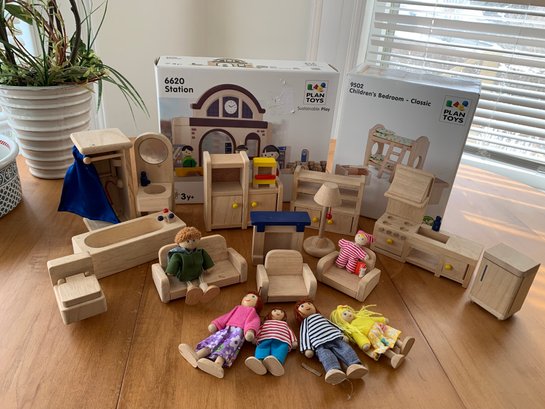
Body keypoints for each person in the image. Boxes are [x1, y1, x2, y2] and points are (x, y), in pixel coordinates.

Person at [178, 292, 263, 378]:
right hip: (225, 330)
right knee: (214, 341)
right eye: (246, 296)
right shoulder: (237, 308)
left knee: (227, 346)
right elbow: (226, 317)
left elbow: (253, 322)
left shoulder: (253, 312)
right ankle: (197, 355)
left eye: (253, 297)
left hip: (237, 334)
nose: (248, 298)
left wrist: (250, 331)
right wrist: (216, 324)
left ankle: (218, 364)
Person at [294, 299, 368, 385]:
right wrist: (307, 348)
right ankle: (333, 370)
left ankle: (355, 365)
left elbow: (333, 325)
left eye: (309, 304)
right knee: (325, 356)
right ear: (298, 313)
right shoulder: (305, 322)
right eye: (302, 306)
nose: (307, 306)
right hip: (319, 343)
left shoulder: (321, 317)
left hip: (334, 337)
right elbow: (304, 335)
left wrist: (341, 334)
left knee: (346, 348)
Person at [329, 305, 415, 369]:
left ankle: (402, 345)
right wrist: (364, 343)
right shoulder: (353, 328)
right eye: (345, 314)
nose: (349, 313)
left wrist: (383, 320)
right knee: (382, 345)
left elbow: (372, 319)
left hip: (379, 327)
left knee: (390, 335)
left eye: (348, 311)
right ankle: (393, 357)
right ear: (341, 321)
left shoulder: (361, 317)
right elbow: (359, 336)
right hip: (373, 335)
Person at [165, 226, 219, 304]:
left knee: (202, 280)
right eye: (187, 241)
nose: (191, 242)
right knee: (189, 283)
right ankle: (192, 293)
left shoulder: (200, 251)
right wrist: (171, 271)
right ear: (179, 243)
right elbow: (174, 263)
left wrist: (208, 267)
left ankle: (206, 291)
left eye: (193, 240)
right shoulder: (178, 255)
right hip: (185, 274)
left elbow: (206, 259)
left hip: (198, 272)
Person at [245, 308, 297, 376]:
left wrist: (293, 341)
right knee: (262, 347)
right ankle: (259, 361)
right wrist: (256, 337)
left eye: (281, 312)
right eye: (275, 311)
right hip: (265, 338)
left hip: (281, 340)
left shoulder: (285, 324)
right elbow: (260, 329)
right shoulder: (266, 323)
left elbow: (290, 332)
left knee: (282, 348)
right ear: (270, 314)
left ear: (284, 316)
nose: (278, 313)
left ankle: (277, 362)